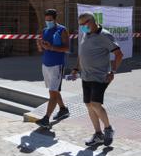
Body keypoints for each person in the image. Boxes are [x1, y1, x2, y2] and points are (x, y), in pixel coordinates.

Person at [71, 12, 124, 147]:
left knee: (95, 104)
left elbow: (118, 54)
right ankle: (98, 134)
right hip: (86, 76)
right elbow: (81, 54)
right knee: (89, 105)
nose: (82, 27)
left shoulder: (104, 35)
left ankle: (108, 129)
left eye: (84, 24)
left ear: (92, 21)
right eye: (80, 25)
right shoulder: (85, 34)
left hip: (100, 76)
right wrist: (76, 68)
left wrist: (113, 71)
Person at [36, 9, 70, 128]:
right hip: (46, 64)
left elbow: (66, 48)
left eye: (50, 20)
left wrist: (51, 48)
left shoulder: (62, 30)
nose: (48, 22)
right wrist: (40, 45)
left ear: (55, 19)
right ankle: (63, 109)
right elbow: (42, 50)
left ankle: (46, 119)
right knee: (54, 90)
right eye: (46, 20)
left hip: (57, 65)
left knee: (53, 92)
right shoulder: (45, 30)